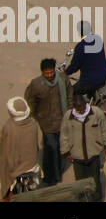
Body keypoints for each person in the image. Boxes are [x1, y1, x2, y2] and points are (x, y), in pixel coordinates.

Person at [24, 58, 71, 186]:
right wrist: (35, 117)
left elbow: (69, 96)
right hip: (46, 123)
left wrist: (70, 113)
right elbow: (30, 101)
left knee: (59, 146)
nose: (50, 75)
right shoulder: (36, 84)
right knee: (52, 147)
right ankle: (52, 176)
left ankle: (54, 174)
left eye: (51, 72)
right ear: (42, 72)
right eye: (47, 73)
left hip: (62, 119)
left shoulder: (63, 79)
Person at [60, 92, 106, 200]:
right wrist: (65, 151)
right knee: (80, 181)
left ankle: (97, 199)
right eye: (78, 108)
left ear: (85, 103)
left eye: (82, 107)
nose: (81, 110)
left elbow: (105, 130)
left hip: (94, 153)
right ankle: (83, 199)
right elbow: (64, 134)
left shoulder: (97, 113)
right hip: (77, 156)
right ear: (74, 107)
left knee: (95, 180)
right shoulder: (68, 116)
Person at [65, 22, 106, 98]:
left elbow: (74, 66)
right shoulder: (98, 39)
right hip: (104, 75)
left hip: (90, 80)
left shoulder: (80, 47)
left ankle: (81, 109)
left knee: (71, 94)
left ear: (79, 32)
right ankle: (93, 103)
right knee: (90, 92)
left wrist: (65, 73)